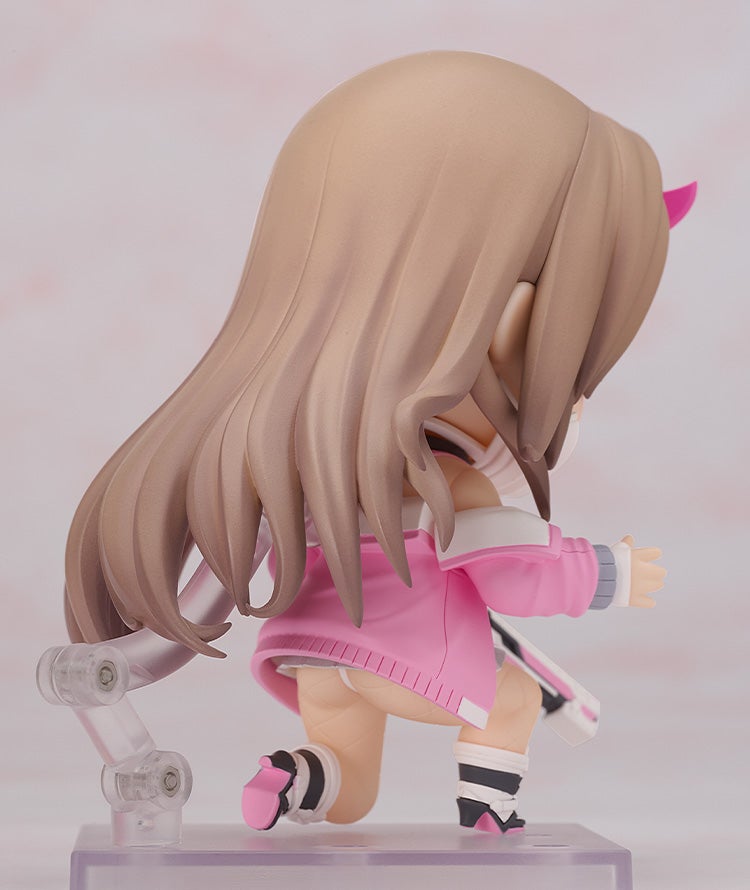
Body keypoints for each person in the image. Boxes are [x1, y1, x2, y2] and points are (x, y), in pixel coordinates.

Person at [63, 51, 684, 834]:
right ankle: (489, 809)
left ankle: (298, 777)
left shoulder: (309, 465)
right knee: (515, 698)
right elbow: (511, 572)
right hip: (407, 653)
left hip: (311, 650)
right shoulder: (450, 481)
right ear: (510, 324)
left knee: (350, 784)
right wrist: (607, 572)